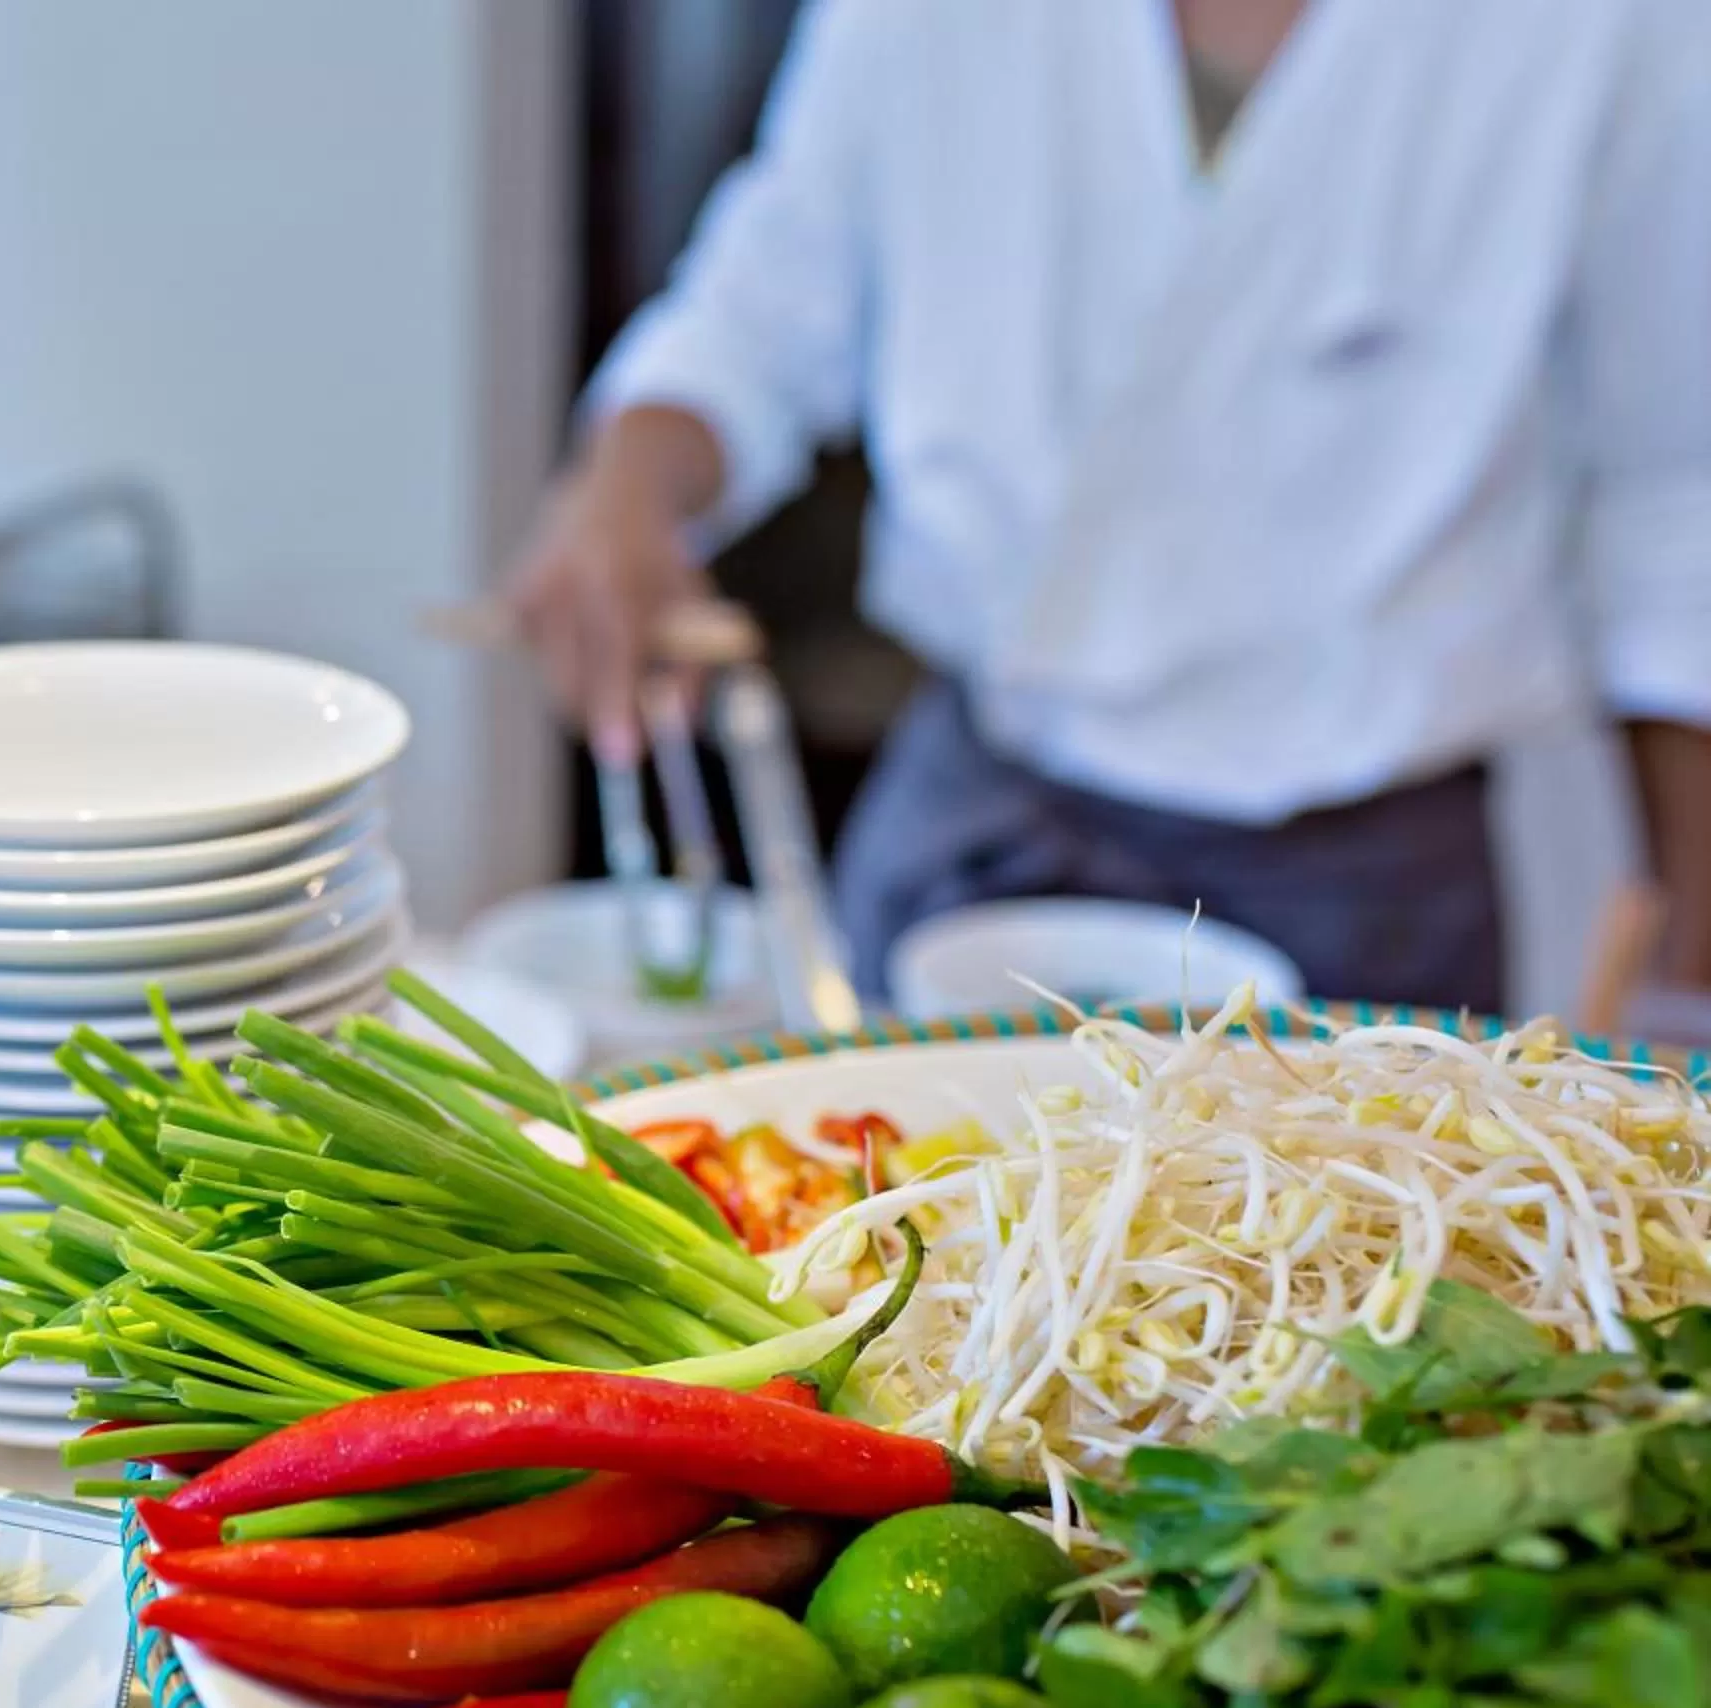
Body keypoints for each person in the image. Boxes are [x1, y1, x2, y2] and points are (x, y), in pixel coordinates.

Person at [507, 0, 1711, 1013]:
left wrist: (1687, 937)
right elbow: (765, 301)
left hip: (1368, 895)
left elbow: (1676, 480)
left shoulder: (1606, 30)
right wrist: (625, 489)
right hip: (985, 824)